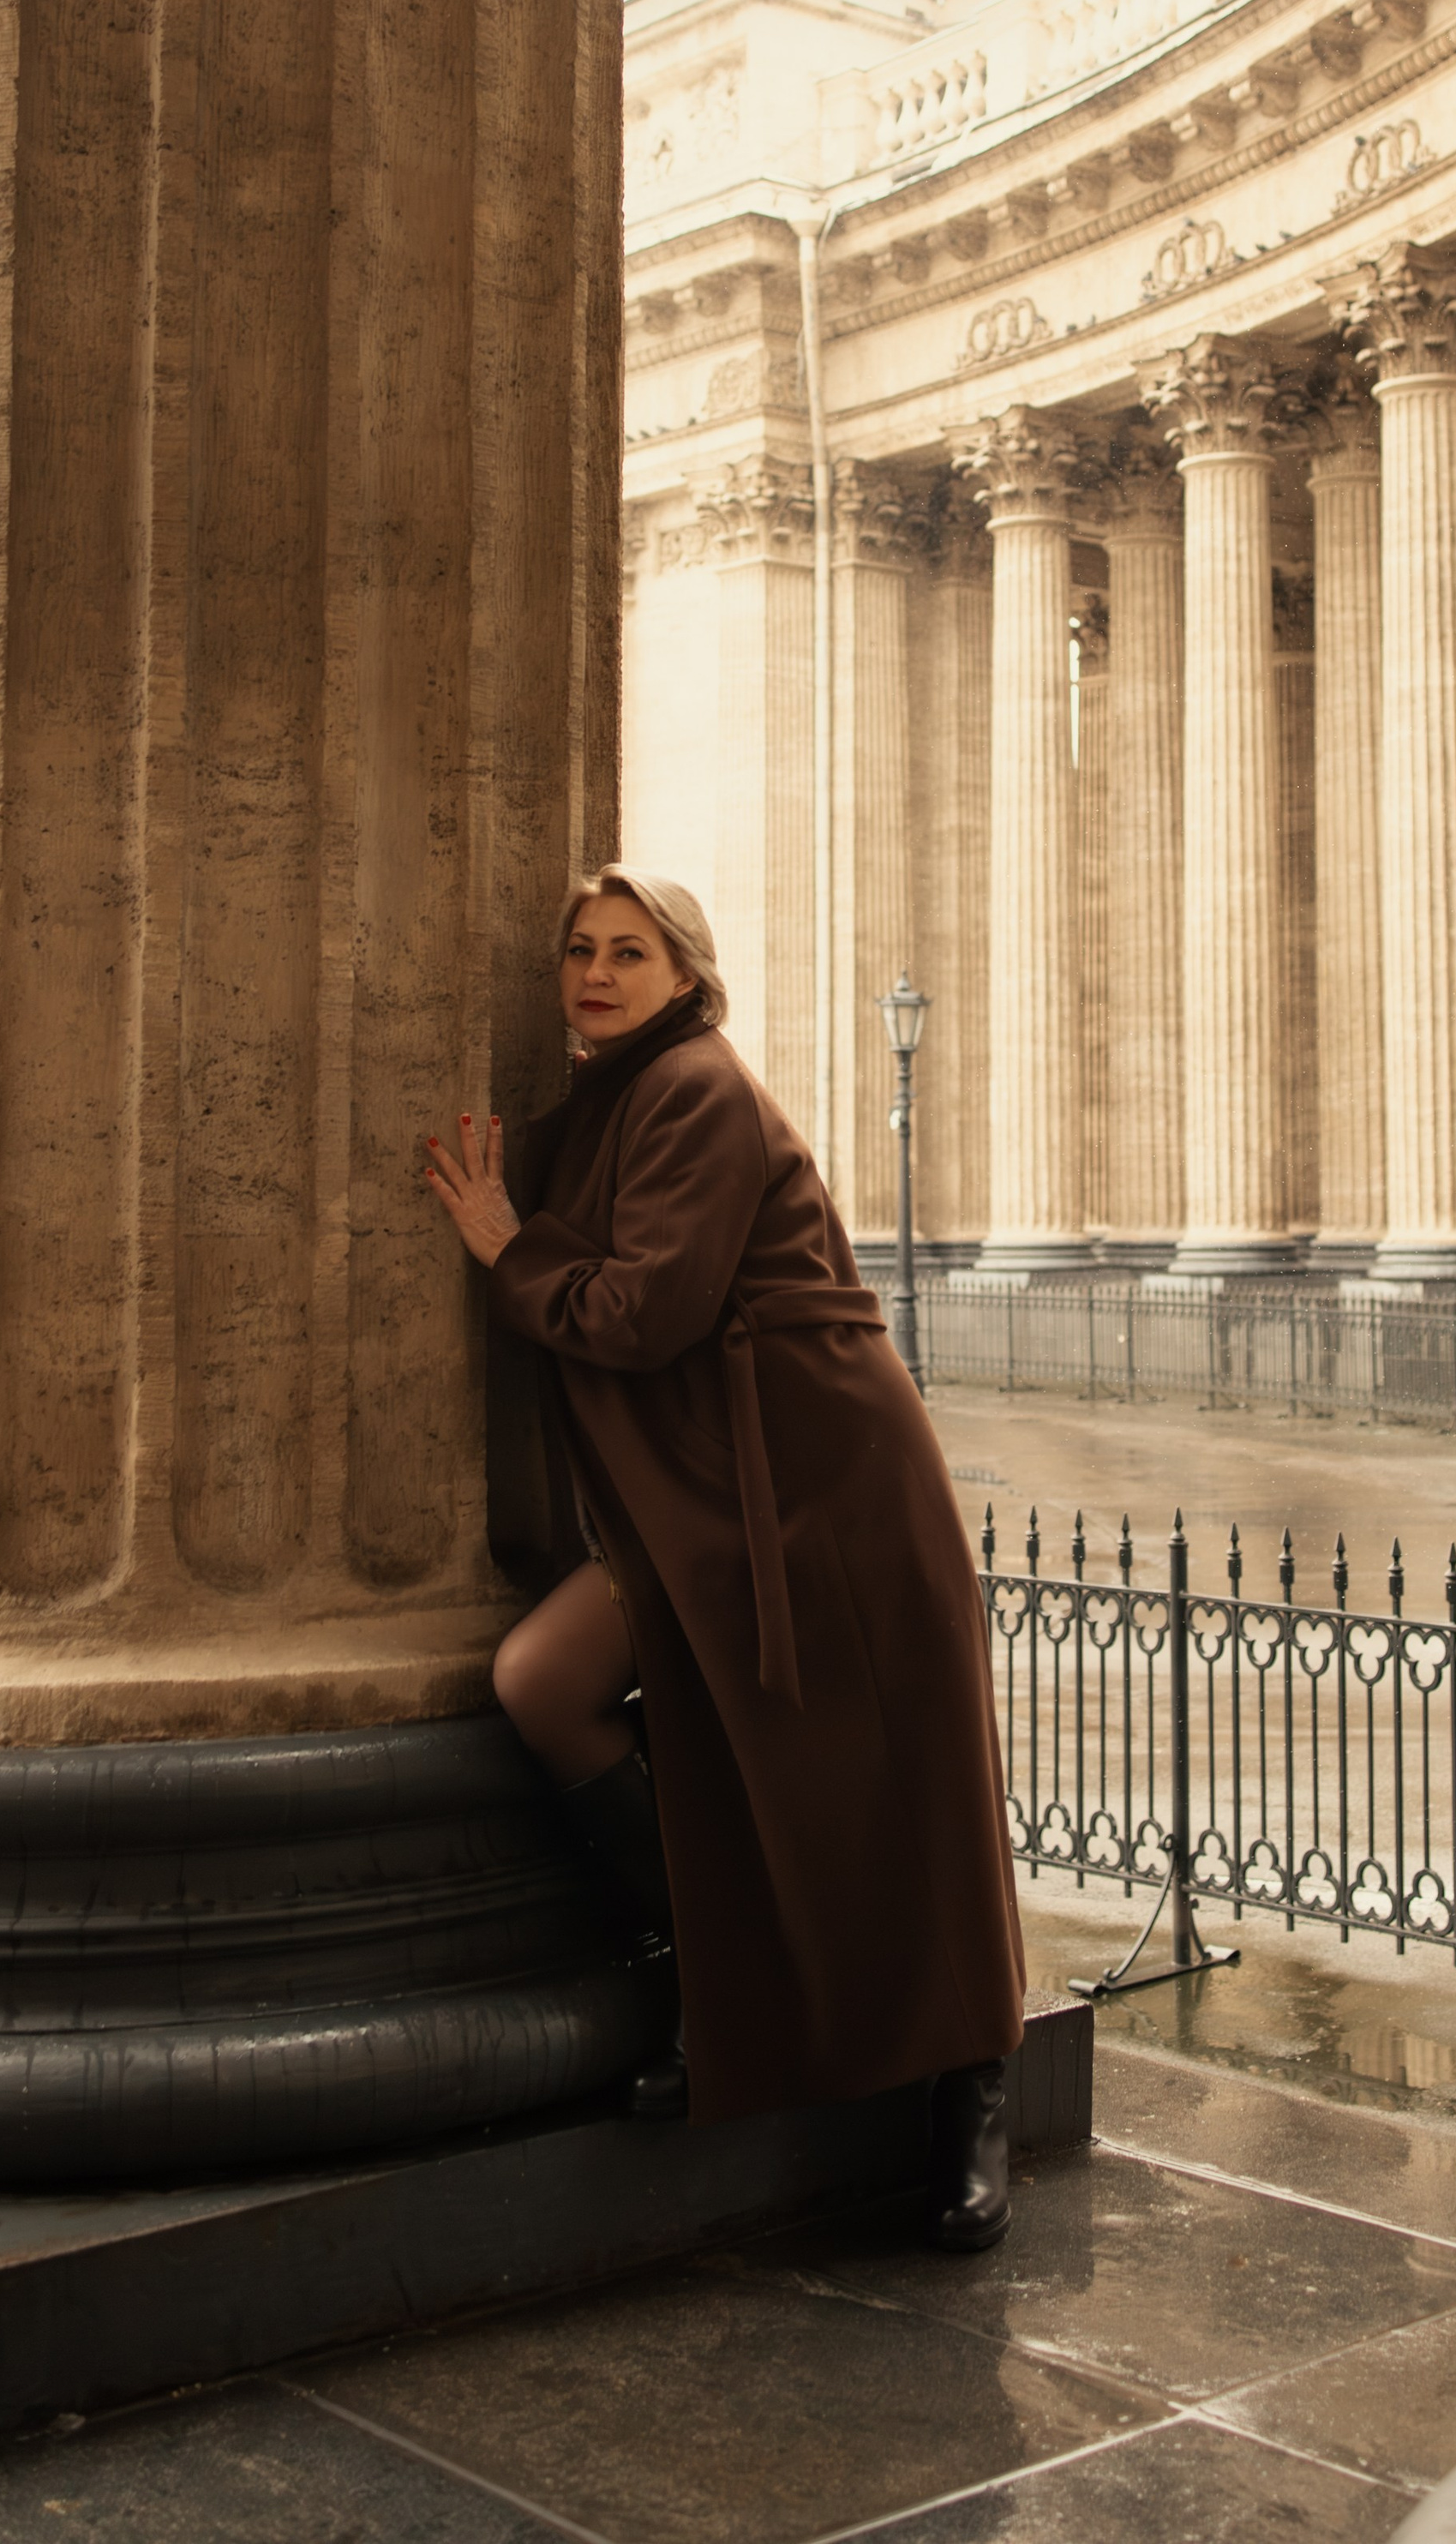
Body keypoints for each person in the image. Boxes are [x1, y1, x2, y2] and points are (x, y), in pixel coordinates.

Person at [422, 866, 1025, 2251]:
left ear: (686, 976)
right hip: (707, 1484)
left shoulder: (693, 1086)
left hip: (826, 1478)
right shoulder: (618, 1097)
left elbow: (644, 1312)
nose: (596, 972)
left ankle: (971, 2087)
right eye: (579, 948)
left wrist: (510, 1248)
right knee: (547, 1683)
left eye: (631, 952)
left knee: (902, 1784)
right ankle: (724, 1973)